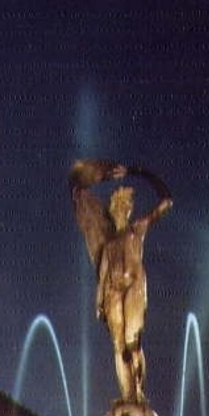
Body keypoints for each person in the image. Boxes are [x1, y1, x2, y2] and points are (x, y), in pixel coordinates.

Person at [70, 159, 172, 403]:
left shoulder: (137, 230)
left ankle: (138, 393)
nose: (120, 210)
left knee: (132, 342)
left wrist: (138, 171)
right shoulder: (108, 246)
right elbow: (103, 275)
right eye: (117, 206)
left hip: (134, 287)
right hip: (113, 293)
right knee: (119, 346)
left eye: (124, 205)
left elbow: (166, 201)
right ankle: (127, 397)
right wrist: (98, 303)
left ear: (128, 209)